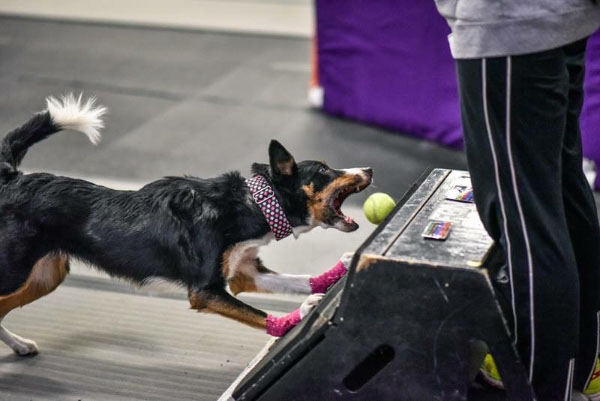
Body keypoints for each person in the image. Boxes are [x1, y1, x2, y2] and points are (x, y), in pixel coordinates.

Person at [433, 1, 600, 400]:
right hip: (559, 16)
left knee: (524, 221)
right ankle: (580, 374)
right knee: (559, 189)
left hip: (507, 21)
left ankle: (545, 389)